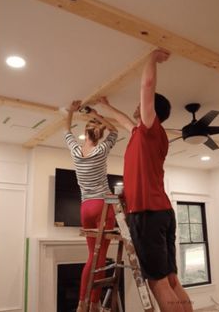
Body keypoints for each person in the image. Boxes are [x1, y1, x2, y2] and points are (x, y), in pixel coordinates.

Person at [96, 49, 193, 312]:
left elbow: (147, 85)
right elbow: (125, 121)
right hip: (162, 212)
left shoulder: (152, 129)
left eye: (144, 104)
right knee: (171, 279)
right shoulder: (143, 133)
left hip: (148, 214)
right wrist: (106, 107)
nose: (138, 106)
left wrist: (151, 58)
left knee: (159, 283)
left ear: (153, 111)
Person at [64, 101, 118, 312]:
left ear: (85, 134)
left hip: (85, 207)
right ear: (99, 135)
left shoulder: (76, 151)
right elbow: (114, 130)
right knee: (100, 257)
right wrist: (97, 114)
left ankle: (81, 303)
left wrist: (70, 111)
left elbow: (67, 129)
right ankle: (94, 303)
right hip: (102, 206)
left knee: (91, 257)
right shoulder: (102, 149)